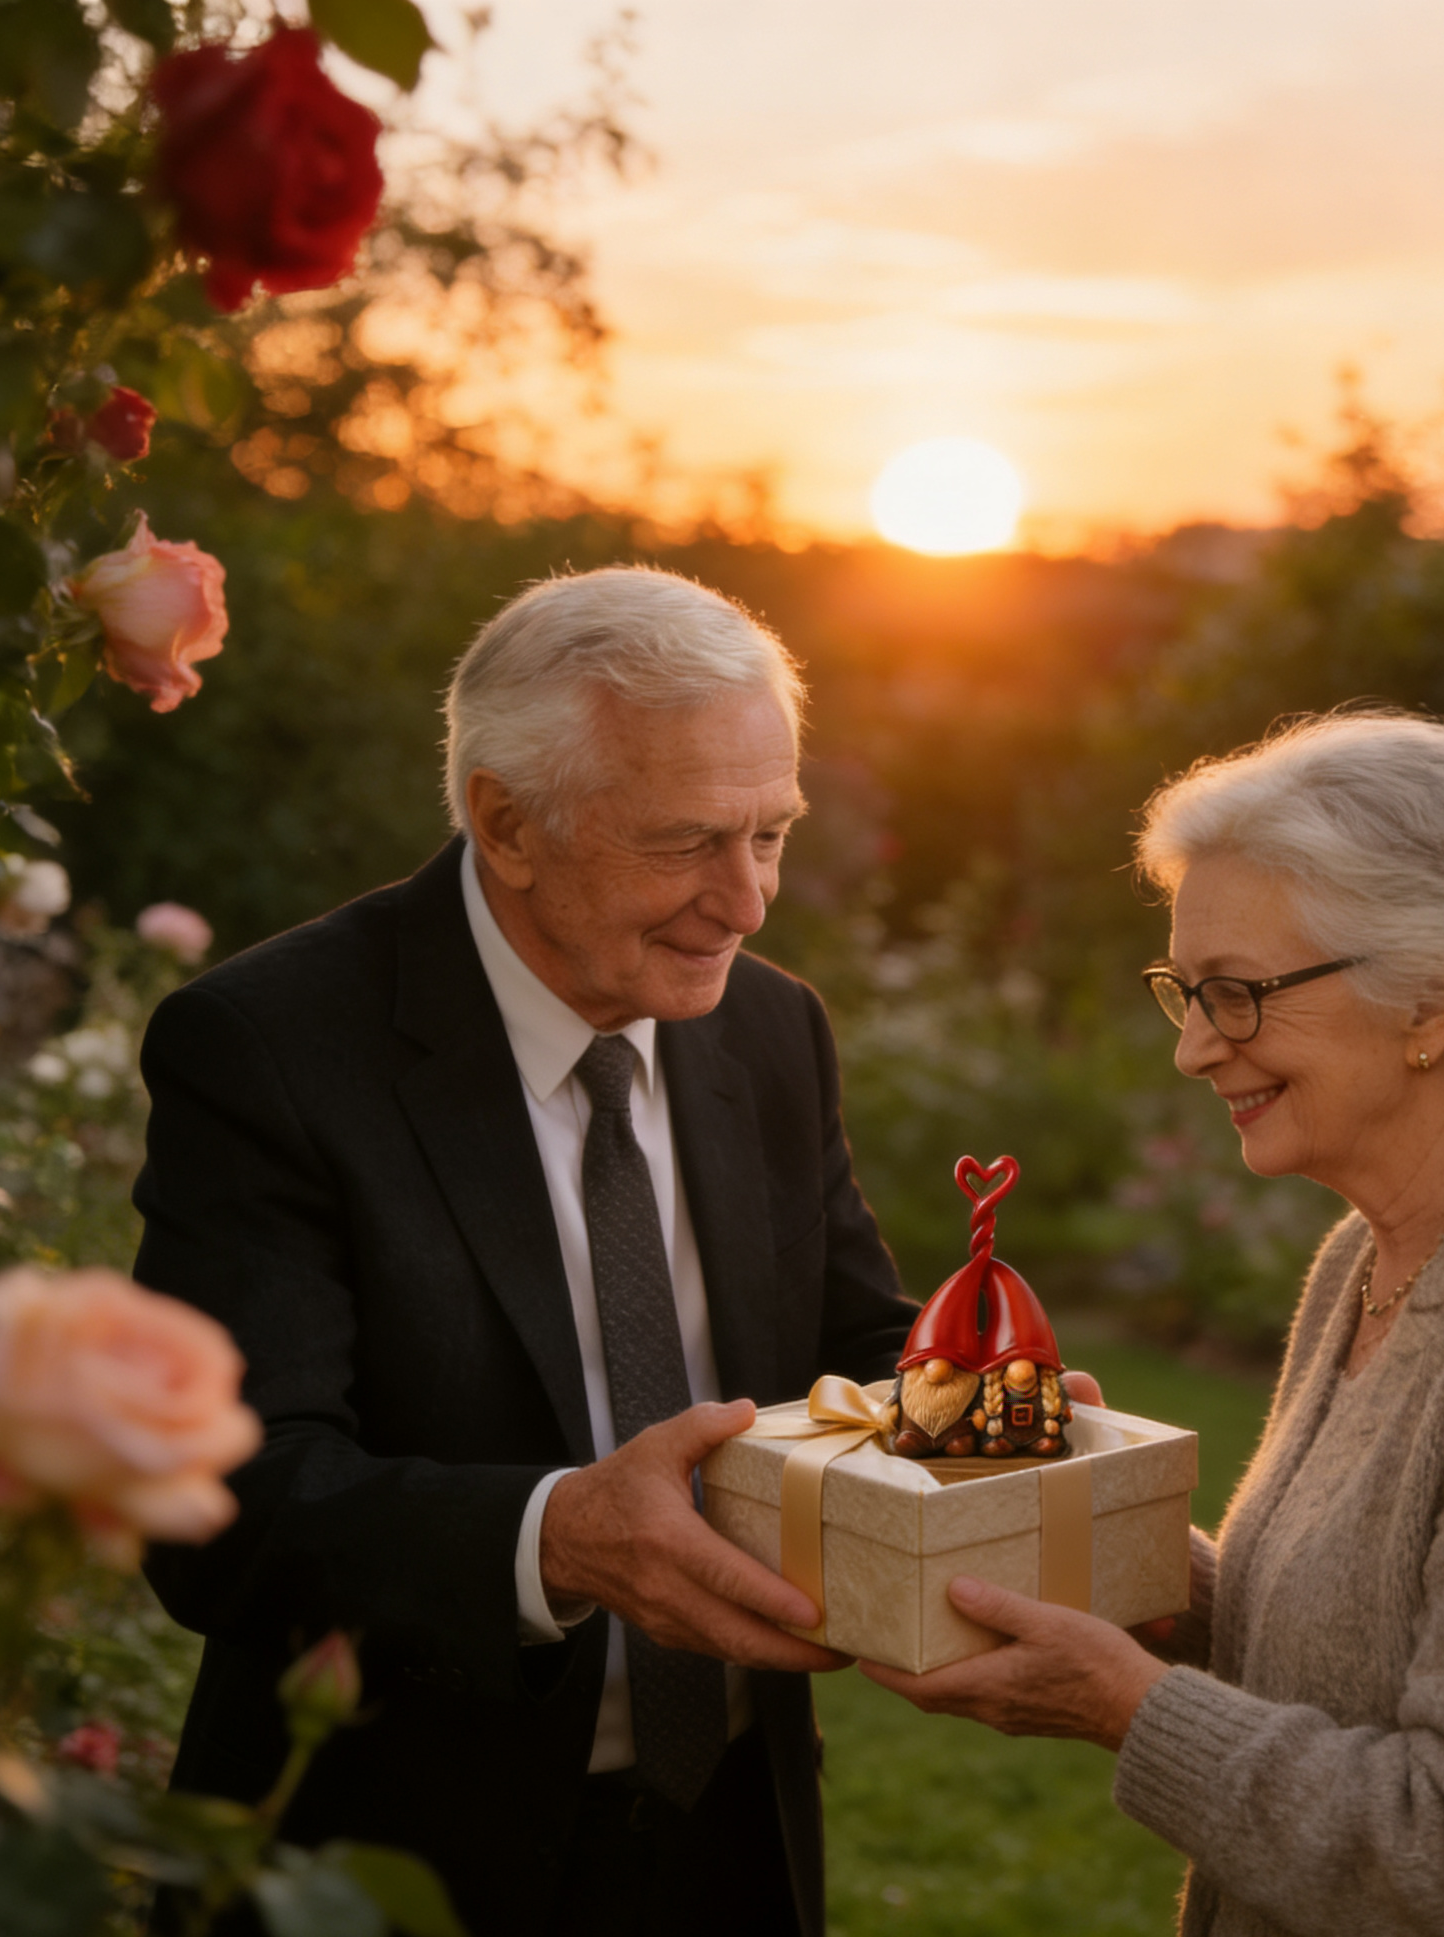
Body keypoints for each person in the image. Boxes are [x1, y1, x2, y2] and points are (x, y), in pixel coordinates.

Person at [862, 712, 1444, 1937]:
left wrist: (1126, 1708)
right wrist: (1109, 1542)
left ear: (1428, 999)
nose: (1195, 1048)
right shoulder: (1378, 1243)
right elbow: (1360, 1645)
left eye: (1239, 994)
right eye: (1184, 993)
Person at [136, 567, 921, 1937]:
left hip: (732, 1834)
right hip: (387, 1858)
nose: (744, 902)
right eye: (686, 842)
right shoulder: (269, 1049)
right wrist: (555, 1540)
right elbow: (225, 1507)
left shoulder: (772, 1031)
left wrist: (984, 1396)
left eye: (771, 835)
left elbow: (848, 1345)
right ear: (506, 821)